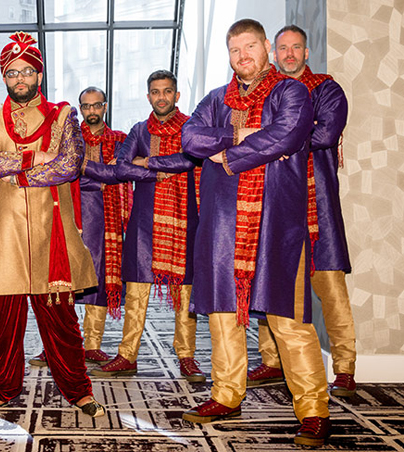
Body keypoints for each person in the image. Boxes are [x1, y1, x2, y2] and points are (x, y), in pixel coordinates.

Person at [180, 19, 331, 447]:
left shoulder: (291, 92)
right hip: (222, 223)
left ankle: (314, 410)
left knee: (287, 318)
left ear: (266, 47)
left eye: (250, 47)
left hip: (276, 221)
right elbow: (191, 138)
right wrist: (234, 132)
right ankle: (226, 395)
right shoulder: (215, 100)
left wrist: (227, 157)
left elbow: (286, 135)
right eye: (234, 50)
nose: (243, 56)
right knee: (222, 315)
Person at [0, 32, 104, 418]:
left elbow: (69, 163)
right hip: (1, 236)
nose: (20, 78)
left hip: (48, 233)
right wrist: (33, 158)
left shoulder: (62, 116)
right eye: (12, 73)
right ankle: (0, 389)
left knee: (60, 319)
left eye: (27, 71)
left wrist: (18, 173)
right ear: (4, 78)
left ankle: (77, 389)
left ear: (39, 76)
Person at [247, 24, 355, 398]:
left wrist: (281, 132)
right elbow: (254, 139)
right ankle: (270, 360)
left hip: (317, 203)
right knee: (269, 282)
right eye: (282, 48)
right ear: (272, 53)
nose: (289, 54)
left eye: (296, 48)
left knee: (331, 290)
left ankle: (344, 368)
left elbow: (325, 135)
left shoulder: (327, 89)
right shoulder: (268, 93)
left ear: (306, 53)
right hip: (273, 203)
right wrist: (276, 132)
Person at [91, 71, 204, 383]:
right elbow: (122, 166)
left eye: (167, 91)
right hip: (143, 220)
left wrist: (149, 162)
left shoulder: (192, 128)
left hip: (184, 217)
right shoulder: (139, 130)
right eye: (155, 92)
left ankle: (187, 356)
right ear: (148, 96)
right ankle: (127, 354)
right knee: (137, 289)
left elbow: (191, 160)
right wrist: (158, 170)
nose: (162, 97)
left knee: (184, 291)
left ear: (177, 95)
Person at [74, 86, 128, 366]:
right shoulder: (68, 140)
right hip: (72, 217)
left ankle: (92, 344)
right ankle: (60, 344)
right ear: (80, 108)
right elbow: (65, 175)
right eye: (86, 106)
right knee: (65, 278)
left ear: (105, 107)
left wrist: (83, 169)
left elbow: (119, 173)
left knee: (99, 276)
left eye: (96, 106)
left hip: (107, 219)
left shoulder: (120, 139)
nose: (91, 111)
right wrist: (101, 177)